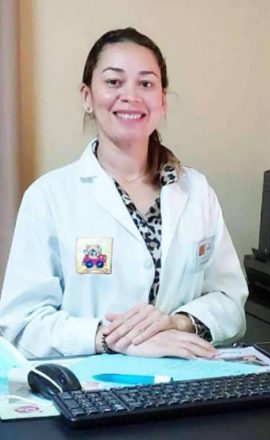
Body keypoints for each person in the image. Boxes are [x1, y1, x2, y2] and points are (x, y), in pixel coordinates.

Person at [0, 27, 248, 359]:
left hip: (186, 377)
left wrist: (175, 323)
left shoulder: (196, 190)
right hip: (89, 382)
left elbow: (230, 301)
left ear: (162, 100)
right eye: (114, 81)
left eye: (146, 84)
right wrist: (113, 338)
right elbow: (21, 323)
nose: (130, 95)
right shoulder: (49, 196)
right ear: (87, 97)